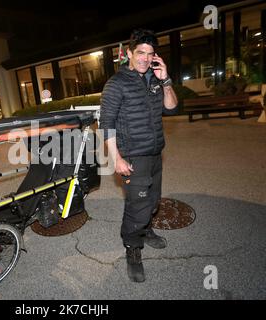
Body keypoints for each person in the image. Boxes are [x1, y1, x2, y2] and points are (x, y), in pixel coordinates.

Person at [99, 29, 178, 282]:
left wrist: (165, 80)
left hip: (155, 153)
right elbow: (106, 123)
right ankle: (133, 249)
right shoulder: (116, 83)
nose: (145, 58)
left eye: (150, 54)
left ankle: (147, 230)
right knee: (138, 208)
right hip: (133, 156)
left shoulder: (156, 80)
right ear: (129, 54)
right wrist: (116, 159)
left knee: (152, 202)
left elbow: (172, 108)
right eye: (140, 53)